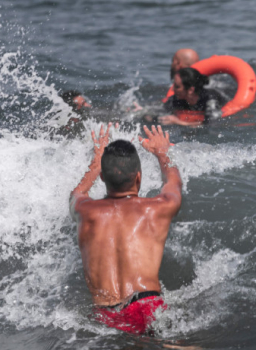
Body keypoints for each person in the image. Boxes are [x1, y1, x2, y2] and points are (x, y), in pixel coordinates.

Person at [70, 124, 182, 336]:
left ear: (102, 177)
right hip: (145, 307)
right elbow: (173, 182)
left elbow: (77, 192)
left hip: (105, 316)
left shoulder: (84, 211)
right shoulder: (158, 208)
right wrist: (162, 153)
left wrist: (96, 161)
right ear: (138, 177)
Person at [158, 66, 228, 126]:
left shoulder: (210, 99)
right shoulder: (176, 99)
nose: (173, 89)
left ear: (190, 90)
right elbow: (157, 112)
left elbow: (212, 123)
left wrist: (179, 122)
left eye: (177, 87)